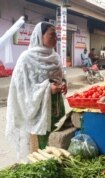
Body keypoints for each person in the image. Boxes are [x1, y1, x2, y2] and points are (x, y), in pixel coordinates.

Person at [5, 21, 67, 162]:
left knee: (56, 139)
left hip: (55, 108)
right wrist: (47, 89)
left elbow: (60, 75)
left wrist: (63, 83)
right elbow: (20, 88)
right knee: (41, 149)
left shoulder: (55, 56)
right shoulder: (26, 58)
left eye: (56, 35)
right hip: (39, 110)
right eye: (52, 35)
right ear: (40, 36)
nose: (55, 38)